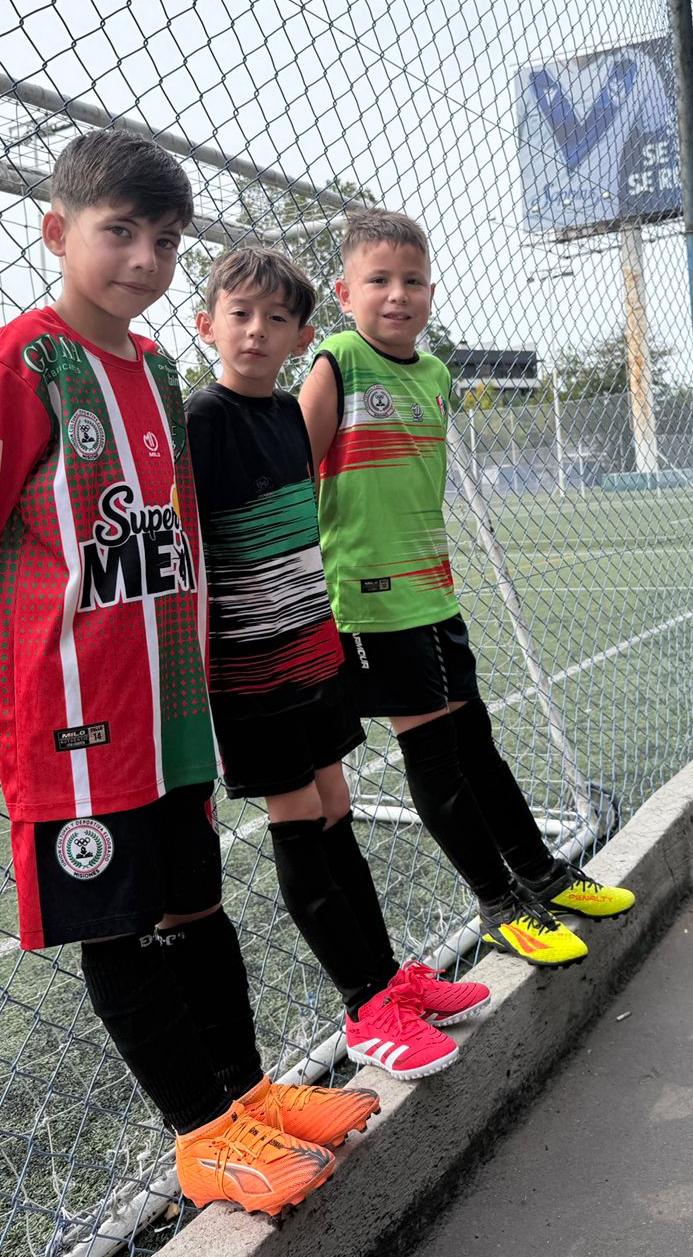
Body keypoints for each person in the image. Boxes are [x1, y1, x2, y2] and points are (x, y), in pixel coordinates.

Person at [0, 131, 378, 1220]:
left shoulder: (160, 367)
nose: (142, 256)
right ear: (58, 231)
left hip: (164, 695)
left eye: (165, 239)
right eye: (117, 231)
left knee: (194, 904)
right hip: (71, 700)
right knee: (121, 922)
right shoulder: (26, 358)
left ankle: (247, 1097)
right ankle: (200, 1137)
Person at [298, 208, 635, 978]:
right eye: (378, 280)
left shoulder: (435, 373)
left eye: (412, 280)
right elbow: (295, 471)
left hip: (433, 594)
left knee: (475, 740)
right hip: (371, 600)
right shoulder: (338, 362)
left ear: (431, 290)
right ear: (345, 292)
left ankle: (543, 874)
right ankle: (499, 905)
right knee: (436, 756)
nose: (398, 295)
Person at [186, 246, 488, 1081]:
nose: (256, 332)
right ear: (205, 324)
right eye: (239, 315)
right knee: (296, 815)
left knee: (333, 801)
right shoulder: (199, 422)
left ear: (301, 334)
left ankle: (386, 980)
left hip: (312, 639)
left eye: (276, 319)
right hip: (250, 666)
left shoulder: (289, 415)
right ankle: (364, 1009)